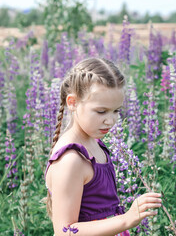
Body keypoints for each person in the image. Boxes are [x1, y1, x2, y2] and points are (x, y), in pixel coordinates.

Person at [44, 58, 162, 235]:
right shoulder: (70, 160)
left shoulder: (94, 142)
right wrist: (126, 219)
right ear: (73, 103)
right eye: (101, 111)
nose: (111, 120)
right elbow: (64, 231)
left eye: (116, 111)